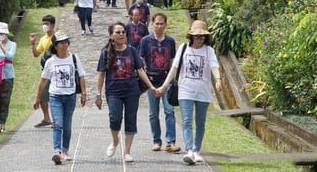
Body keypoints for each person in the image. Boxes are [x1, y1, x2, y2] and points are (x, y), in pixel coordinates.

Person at [157, 20, 222, 165]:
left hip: (202, 92)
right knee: (186, 121)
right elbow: (174, 69)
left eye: (202, 37)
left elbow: (214, 66)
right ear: (191, 36)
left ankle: (197, 150)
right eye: (196, 36)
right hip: (185, 90)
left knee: (200, 123)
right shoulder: (184, 48)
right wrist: (164, 85)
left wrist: (218, 79)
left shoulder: (208, 51)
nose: (199, 39)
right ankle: (190, 151)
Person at [95, 22, 156, 163]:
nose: (121, 34)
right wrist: (98, 94)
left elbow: (140, 70)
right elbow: (101, 74)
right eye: (118, 32)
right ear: (111, 35)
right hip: (113, 92)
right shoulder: (105, 53)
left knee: (130, 120)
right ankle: (115, 141)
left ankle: (127, 151)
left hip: (131, 91)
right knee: (114, 118)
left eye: (123, 32)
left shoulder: (132, 51)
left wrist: (151, 86)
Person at [33, 31, 87, 165]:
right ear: (55, 46)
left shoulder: (74, 58)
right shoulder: (51, 61)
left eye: (66, 42)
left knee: (67, 126)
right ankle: (57, 151)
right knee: (58, 124)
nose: (64, 45)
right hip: (55, 96)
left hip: (70, 96)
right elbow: (43, 81)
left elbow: (81, 76)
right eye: (61, 43)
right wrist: (37, 98)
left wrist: (84, 94)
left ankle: (65, 150)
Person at [138, 13, 181, 153]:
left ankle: (171, 142)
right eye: (157, 23)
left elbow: (172, 61)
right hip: (151, 81)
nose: (159, 26)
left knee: (169, 111)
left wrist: (170, 80)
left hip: (166, 80)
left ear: (165, 24)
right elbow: (141, 61)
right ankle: (156, 140)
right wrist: (146, 81)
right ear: (152, 24)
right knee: (153, 113)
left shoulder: (170, 41)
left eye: (162, 23)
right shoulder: (145, 41)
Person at [29, 15, 56, 128]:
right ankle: (46, 118)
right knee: (42, 95)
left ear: (53, 25)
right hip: (46, 70)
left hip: (55, 70)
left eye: (47, 24)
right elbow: (36, 54)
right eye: (43, 23)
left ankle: (57, 119)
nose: (45, 26)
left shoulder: (57, 38)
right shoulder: (43, 39)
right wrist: (33, 43)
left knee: (55, 96)